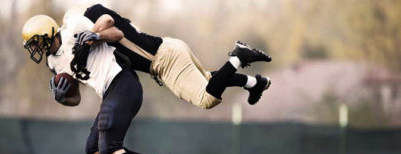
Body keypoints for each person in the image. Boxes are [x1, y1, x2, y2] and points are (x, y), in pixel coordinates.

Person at [21, 13, 170, 154]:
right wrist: (61, 98)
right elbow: (76, 99)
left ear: (47, 33)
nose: (35, 48)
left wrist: (96, 35)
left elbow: (114, 29)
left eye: (35, 42)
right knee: (93, 149)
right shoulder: (53, 62)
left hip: (123, 81)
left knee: (109, 146)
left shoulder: (73, 28)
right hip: (110, 93)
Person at [78, 4, 272, 109]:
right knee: (207, 79)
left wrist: (93, 36)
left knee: (206, 98)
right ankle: (254, 83)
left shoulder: (92, 15)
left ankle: (238, 56)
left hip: (165, 60)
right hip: (169, 50)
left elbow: (108, 21)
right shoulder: (98, 31)